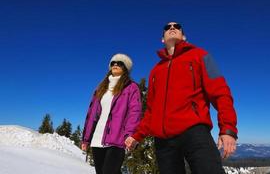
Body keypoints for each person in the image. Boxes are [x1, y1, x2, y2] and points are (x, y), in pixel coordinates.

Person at [125, 22, 238, 174]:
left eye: (177, 26)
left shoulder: (202, 55)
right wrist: (137, 136)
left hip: (194, 133)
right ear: (162, 39)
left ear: (183, 36)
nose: (172, 28)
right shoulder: (155, 71)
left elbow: (221, 92)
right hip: (163, 142)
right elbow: (151, 111)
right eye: (167, 27)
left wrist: (228, 128)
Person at [81, 53, 142, 174]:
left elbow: (134, 112)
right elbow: (92, 115)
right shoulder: (101, 88)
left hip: (117, 139)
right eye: (113, 63)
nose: (115, 64)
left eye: (119, 63)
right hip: (97, 140)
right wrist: (86, 139)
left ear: (125, 68)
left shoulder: (131, 87)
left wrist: (130, 134)